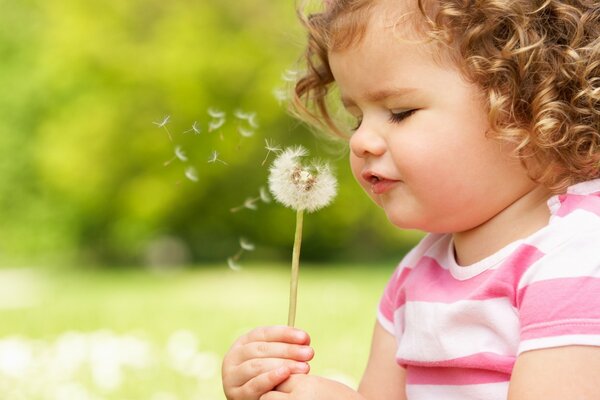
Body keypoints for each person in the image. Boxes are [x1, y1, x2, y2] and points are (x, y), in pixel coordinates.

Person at [222, 0, 600, 398]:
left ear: (530, 103)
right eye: (357, 117)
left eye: (400, 112)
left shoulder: (580, 258)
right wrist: (266, 385)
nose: (361, 140)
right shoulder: (417, 273)